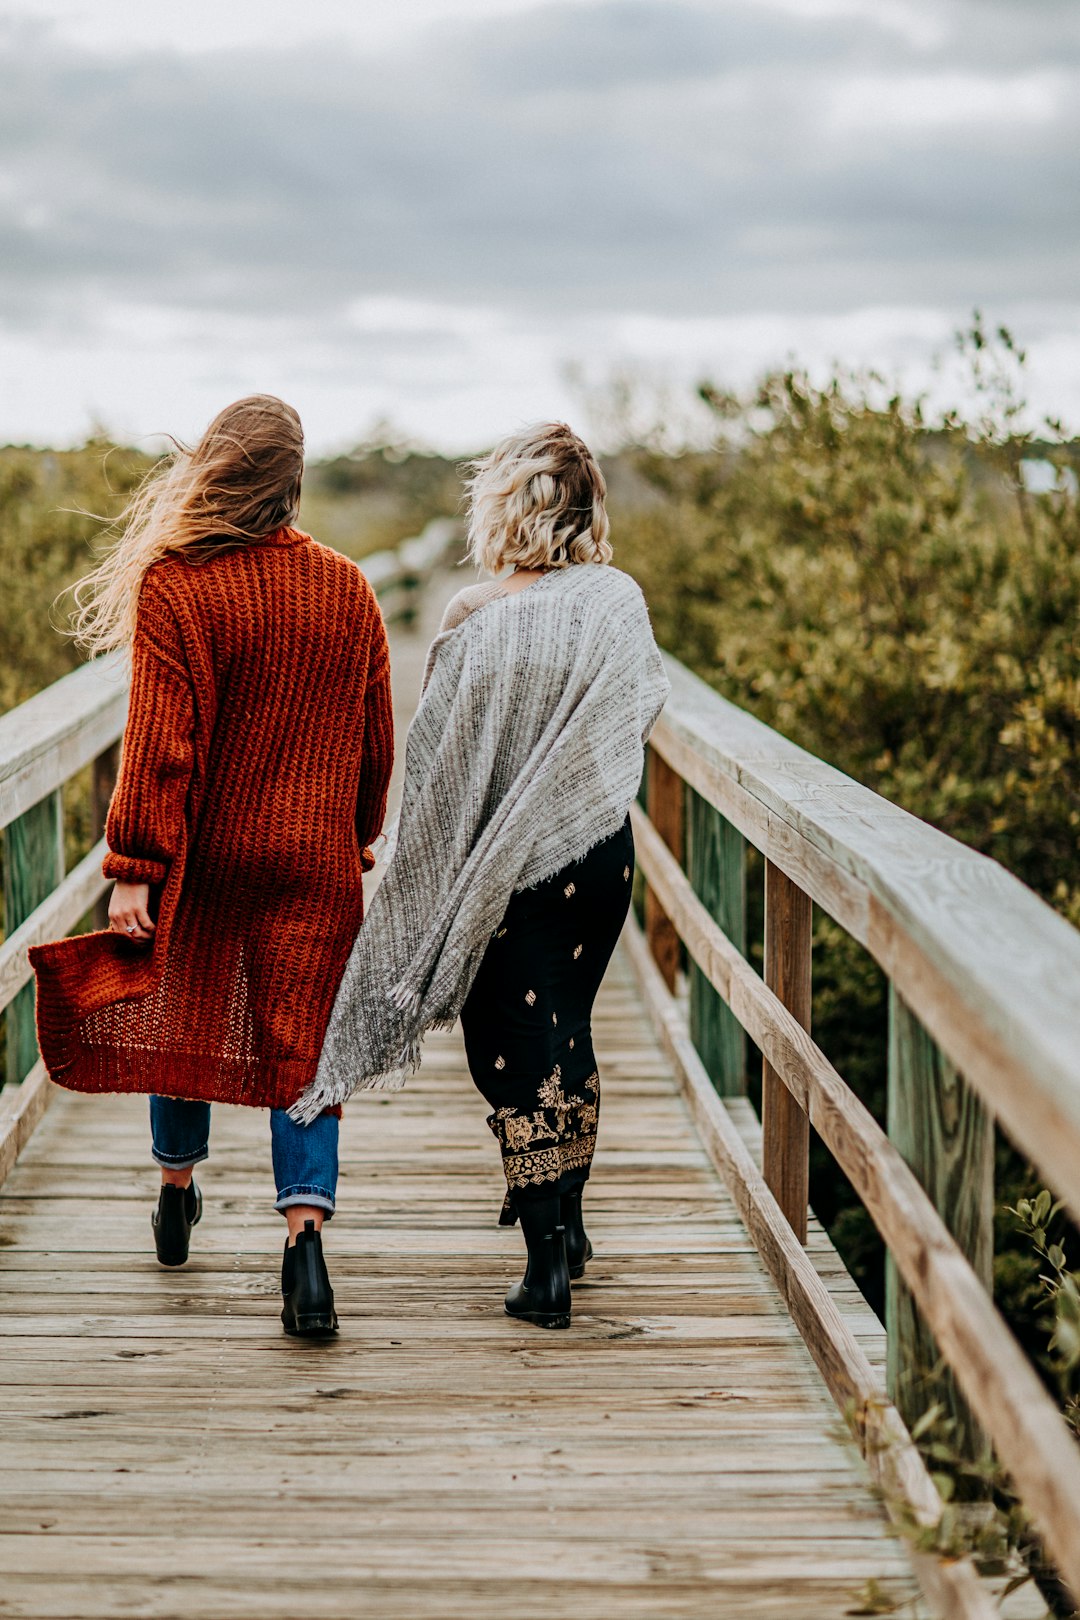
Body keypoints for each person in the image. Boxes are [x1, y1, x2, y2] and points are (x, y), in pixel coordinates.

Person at [30, 395, 394, 1337]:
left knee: (184, 1007)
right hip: (312, 859)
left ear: (216, 471)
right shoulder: (348, 589)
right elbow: (372, 738)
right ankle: (304, 1247)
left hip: (207, 858)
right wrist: (356, 832)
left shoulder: (176, 586)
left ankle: (175, 1185)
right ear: (294, 482)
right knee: (301, 1047)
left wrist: (135, 866)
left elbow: (160, 743)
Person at [293, 422, 669, 1329]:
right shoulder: (617, 601)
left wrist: (430, 865)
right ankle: (570, 1226)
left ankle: (546, 1274)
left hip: (514, 874)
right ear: (585, 512)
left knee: (510, 1049)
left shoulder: (473, 622)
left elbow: (442, 771)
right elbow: (639, 708)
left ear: (504, 510)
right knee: (568, 1031)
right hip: (596, 853)